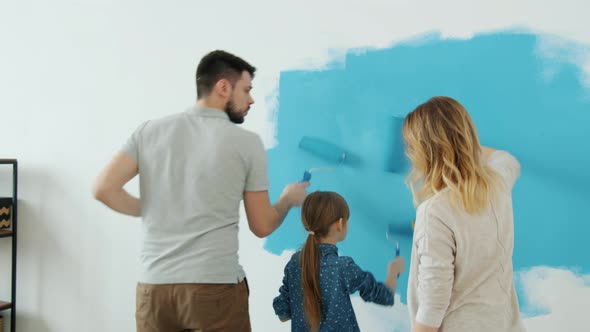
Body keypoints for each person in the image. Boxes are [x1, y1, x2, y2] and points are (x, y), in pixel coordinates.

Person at [92, 50, 308, 331]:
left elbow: (103, 189)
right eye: (246, 90)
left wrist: (151, 208)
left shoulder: (149, 131)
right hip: (213, 290)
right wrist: (287, 200)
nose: (251, 99)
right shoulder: (246, 143)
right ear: (223, 87)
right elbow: (262, 225)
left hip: (153, 289)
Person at [403, 96, 525, 332]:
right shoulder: (498, 183)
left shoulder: (435, 212)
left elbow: (433, 305)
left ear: (425, 152)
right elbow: (508, 160)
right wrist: (462, 144)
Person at [273, 191, 406, 332]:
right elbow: (385, 297)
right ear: (340, 224)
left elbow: (283, 313)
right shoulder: (343, 267)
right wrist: (393, 272)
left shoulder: (294, 264)